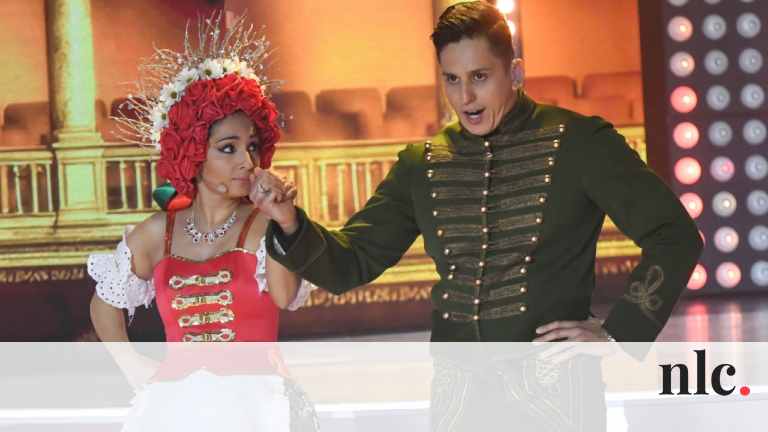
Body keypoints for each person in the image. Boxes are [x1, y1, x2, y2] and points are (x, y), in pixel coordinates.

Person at [86, 12, 319, 431]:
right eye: (228, 148)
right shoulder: (157, 233)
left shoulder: (264, 225)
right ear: (192, 154)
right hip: (177, 409)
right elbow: (104, 303)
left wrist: (285, 221)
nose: (247, 161)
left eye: (252, 146)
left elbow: (285, 297)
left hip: (258, 406)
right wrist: (130, 363)